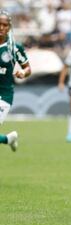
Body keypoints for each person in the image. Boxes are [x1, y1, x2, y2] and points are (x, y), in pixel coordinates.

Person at [0, 10, 31, 151]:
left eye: (5, 25)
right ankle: (8, 139)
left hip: (4, 95)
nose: (1, 28)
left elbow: (28, 68)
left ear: (9, 27)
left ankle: (8, 139)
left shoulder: (14, 48)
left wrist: (23, 73)